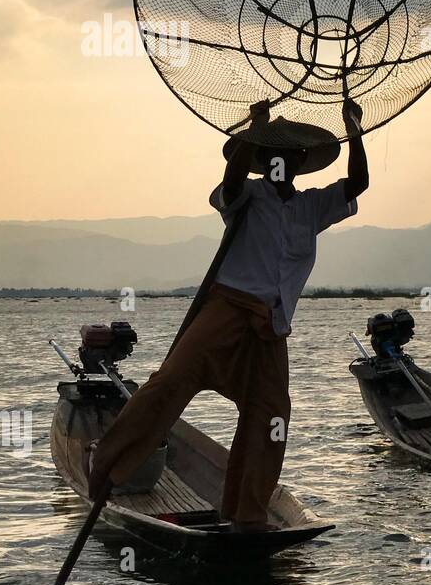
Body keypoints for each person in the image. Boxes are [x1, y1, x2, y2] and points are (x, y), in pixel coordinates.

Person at [87, 98, 369, 530]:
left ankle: (246, 514)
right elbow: (232, 180)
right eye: (271, 156)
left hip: (271, 328)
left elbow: (358, 184)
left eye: (288, 157)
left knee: (270, 417)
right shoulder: (247, 194)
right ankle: (108, 466)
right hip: (226, 310)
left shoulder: (311, 206)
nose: (281, 163)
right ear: (263, 160)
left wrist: (354, 129)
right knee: (169, 384)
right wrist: (253, 131)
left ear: (297, 162)